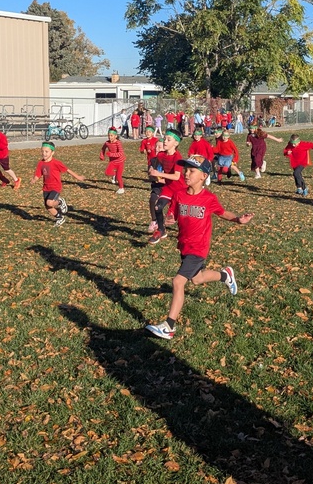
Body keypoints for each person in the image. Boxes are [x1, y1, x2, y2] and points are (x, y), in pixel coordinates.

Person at [145, 155, 253, 339]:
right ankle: (225, 275)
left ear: (204, 176)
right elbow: (173, 214)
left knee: (178, 282)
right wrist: (170, 219)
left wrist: (237, 219)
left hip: (199, 248)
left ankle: (169, 326)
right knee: (196, 279)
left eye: (191, 171)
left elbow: (222, 212)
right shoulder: (179, 195)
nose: (186, 174)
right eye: (185, 170)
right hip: (185, 246)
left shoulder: (209, 198)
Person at [34, 142, 86, 226]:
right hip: (46, 187)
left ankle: (60, 202)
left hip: (55, 187)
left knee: (49, 203)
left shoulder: (56, 163)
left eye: (46, 151)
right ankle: (60, 218)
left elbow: (67, 170)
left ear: (52, 152)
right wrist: (34, 179)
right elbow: (39, 173)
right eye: (42, 151)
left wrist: (78, 177)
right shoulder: (41, 163)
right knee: (48, 207)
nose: (44, 153)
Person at [148, 128, 183, 241]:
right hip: (168, 188)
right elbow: (154, 165)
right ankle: (161, 230)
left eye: (169, 140)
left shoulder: (177, 157)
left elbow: (176, 177)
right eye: (164, 139)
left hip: (180, 189)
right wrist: (152, 170)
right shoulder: (161, 155)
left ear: (176, 143)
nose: (165, 142)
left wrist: (159, 174)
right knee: (158, 207)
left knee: (181, 215)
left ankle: (185, 232)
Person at [100, 127, 126, 193]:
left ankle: (121, 188)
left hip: (120, 162)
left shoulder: (118, 143)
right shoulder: (107, 143)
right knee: (107, 172)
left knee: (119, 176)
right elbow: (103, 149)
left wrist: (111, 154)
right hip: (112, 161)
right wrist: (102, 155)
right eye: (108, 135)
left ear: (115, 136)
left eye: (111, 135)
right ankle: (114, 175)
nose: (110, 137)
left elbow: (120, 153)